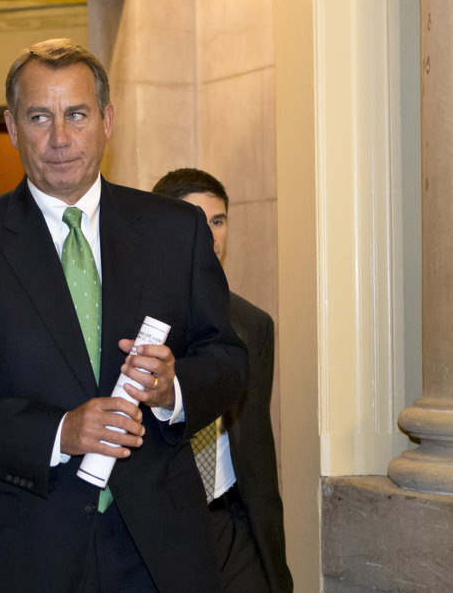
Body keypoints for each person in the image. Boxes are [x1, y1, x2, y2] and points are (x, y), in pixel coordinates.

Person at [0, 39, 248, 593]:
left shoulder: (175, 230)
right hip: (26, 551)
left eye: (77, 115)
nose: (60, 138)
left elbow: (227, 358)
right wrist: (58, 432)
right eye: (40, 117)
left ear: (107, 121)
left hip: (161, 553)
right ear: (12, 127)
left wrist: (172, 389)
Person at [152, 168, 293, 592]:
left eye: (218, 220)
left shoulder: (252, 324)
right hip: (162, 529)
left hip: (233, 527)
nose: (210, 235)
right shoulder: (134, 322)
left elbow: (257, 446)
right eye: (195, 220)